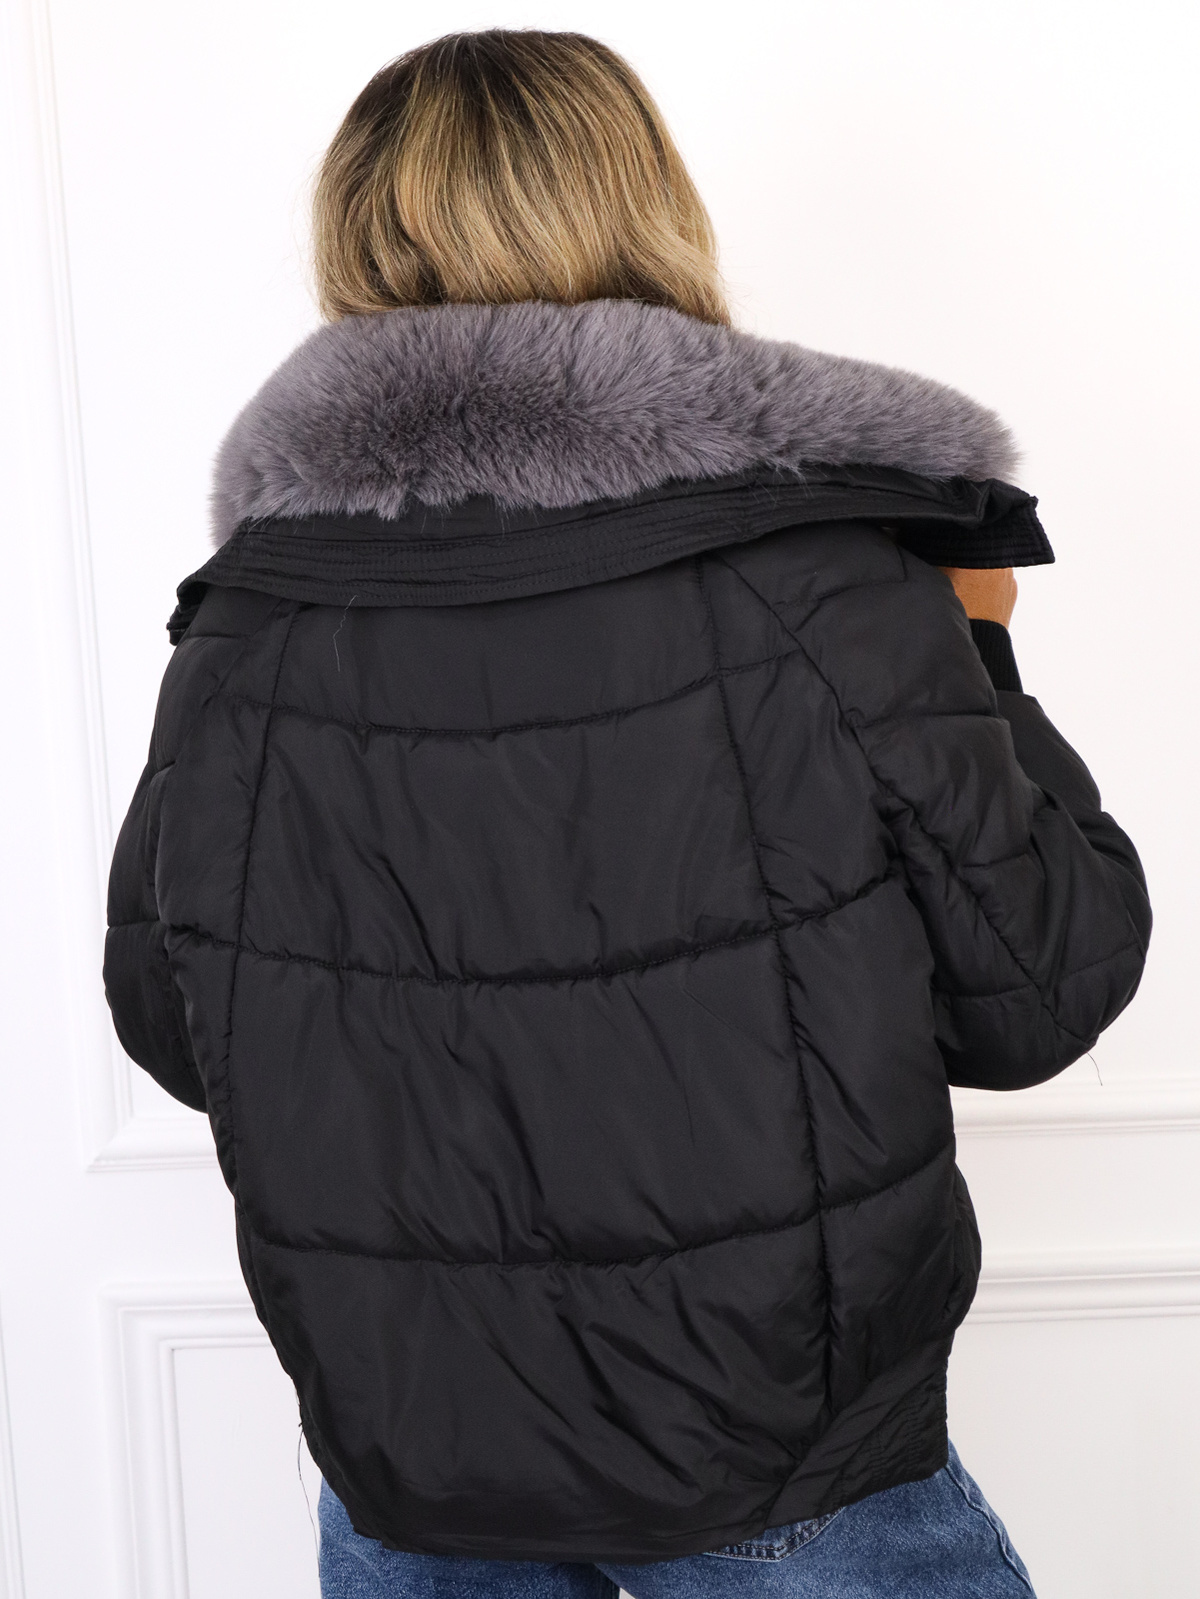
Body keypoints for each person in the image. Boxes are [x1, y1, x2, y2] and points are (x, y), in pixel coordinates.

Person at [103, 28, 1150, 1599]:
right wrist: (982, 652)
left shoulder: (252, 625)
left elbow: (175, 1023)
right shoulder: (830, 577)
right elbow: (1039, 993)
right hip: (784, 1461)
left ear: (357, 238)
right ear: (645, 201)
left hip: (414, 1468)